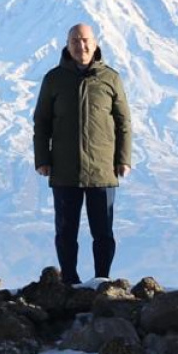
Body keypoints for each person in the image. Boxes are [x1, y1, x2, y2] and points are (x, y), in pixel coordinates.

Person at [32, 23, 132, 284]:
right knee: (66, 232)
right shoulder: (54, 79)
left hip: (102, 170)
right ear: (67, 45)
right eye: (75, 41)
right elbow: (41, 121)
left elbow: (123, 122)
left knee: (103, 232)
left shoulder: (110, 78)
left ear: (95, 43)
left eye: (85, 40)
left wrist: (123, 159)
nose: (81, 46)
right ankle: (70, 281)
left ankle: (103, 281)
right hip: (65, 169)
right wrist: (42, 159)